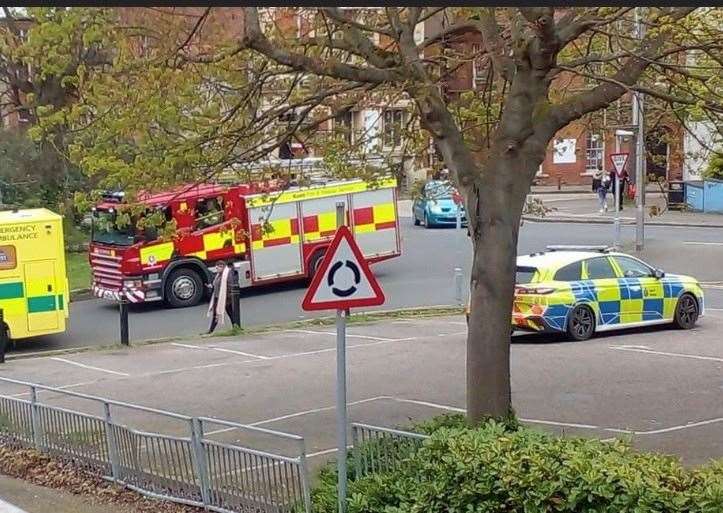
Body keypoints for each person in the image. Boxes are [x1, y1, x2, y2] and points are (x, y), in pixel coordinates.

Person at [205, 261, 239, 335]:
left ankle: (210, 331)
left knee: (218, 313)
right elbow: (216, 284)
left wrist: (227, 297)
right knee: (229, 313)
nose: (216, 268)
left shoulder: (226, 275)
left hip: (224, 298)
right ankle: (236, 326)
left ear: (223, 267)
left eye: (218, 266)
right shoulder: (218, 275)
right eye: (216, 266)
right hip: (218, 297)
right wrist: (211, 286)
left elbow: (230, 286)